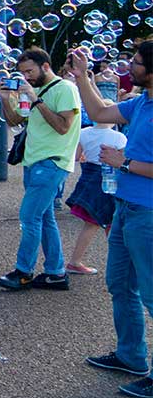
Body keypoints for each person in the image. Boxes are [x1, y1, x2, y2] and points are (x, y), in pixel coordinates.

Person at [69, 42, 153, 398]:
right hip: (126, 208)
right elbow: (100, 112)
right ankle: (131, 356)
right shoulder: (142, 102)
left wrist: (125, 163)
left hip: (148, 214)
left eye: (135, 63)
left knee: (151, 294)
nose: (128, 68)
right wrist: (83, 75)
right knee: (120, 284)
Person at [0, 47, 81, 291]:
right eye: (21, 73)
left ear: (45, 66)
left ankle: (23, 272)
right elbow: (16, 121)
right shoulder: (34, 90)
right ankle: (56, 273)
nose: (25, 77)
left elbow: (63, 126)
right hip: (33, 162)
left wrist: (35, 99)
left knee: (29, 217)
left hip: (52, 162)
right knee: (45, 217)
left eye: (29, 71)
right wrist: (4, 99)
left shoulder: (65, 88)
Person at [64, 104, 127, 274]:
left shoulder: (84, 133)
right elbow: (123, 163)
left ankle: (117, 264)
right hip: (109, 181)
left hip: (88, 178)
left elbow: (76, 157)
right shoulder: (119, 137)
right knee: (103, 223)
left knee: (99, 222)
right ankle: (75, 262)